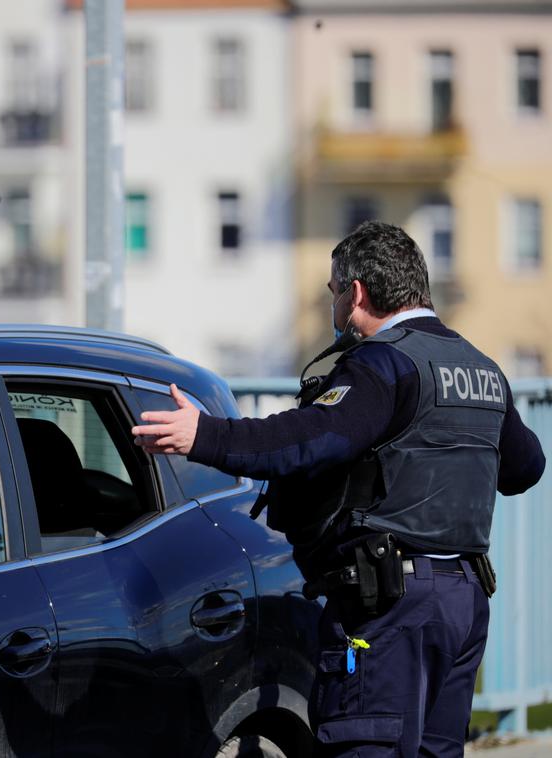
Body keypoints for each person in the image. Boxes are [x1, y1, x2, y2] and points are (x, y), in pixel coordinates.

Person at [132, 221, 545, 757]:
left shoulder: (383, 362)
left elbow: (310, 438)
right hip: (462, 602)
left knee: (364, 745)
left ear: (355, 293)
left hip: (390, 603)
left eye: (332, 292)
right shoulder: (482, 368)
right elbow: (526, 467)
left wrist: (204, 435)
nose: (332, 305)